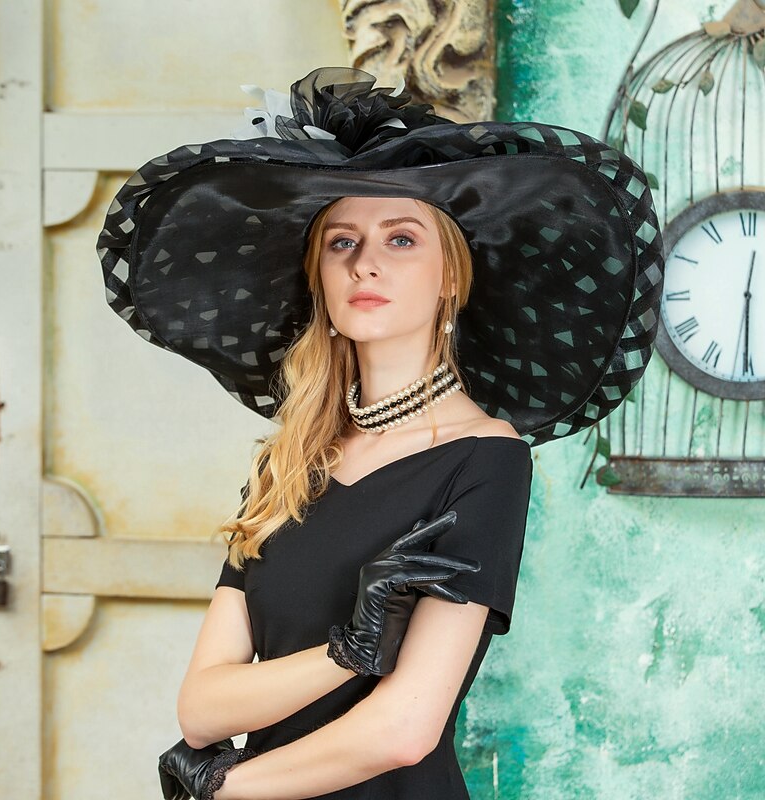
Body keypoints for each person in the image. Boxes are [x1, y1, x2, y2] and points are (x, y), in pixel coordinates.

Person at [96, 68, 664, 800]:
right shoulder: (288, 462)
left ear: (450, 277)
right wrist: (346, 653)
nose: (366, 262)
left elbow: (403, 729)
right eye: (342, 242)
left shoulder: (487, 461)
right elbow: (202, 709)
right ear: (320, 279)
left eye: (401, 238)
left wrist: (222, 789)